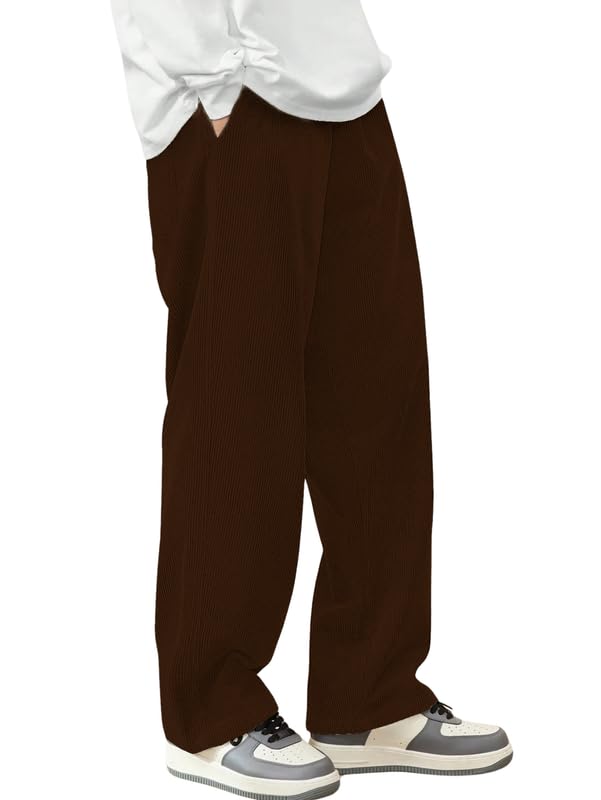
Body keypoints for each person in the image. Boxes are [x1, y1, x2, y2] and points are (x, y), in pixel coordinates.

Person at [110, 2, 512, 796]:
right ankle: (208, 714)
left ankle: (368, 697)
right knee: (238, 413)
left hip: (341, 86)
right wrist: (208, 79)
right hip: (227, 95)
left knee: (378, 402)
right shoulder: (219, 92)